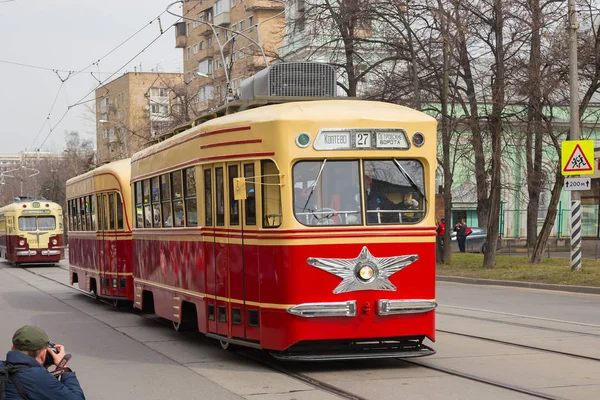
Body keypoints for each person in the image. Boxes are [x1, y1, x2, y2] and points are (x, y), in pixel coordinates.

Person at [0, 325, 85, 399]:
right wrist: (64, 368)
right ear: (43, 355)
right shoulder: (38, 378)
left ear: (12, 348)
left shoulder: (2, 367)